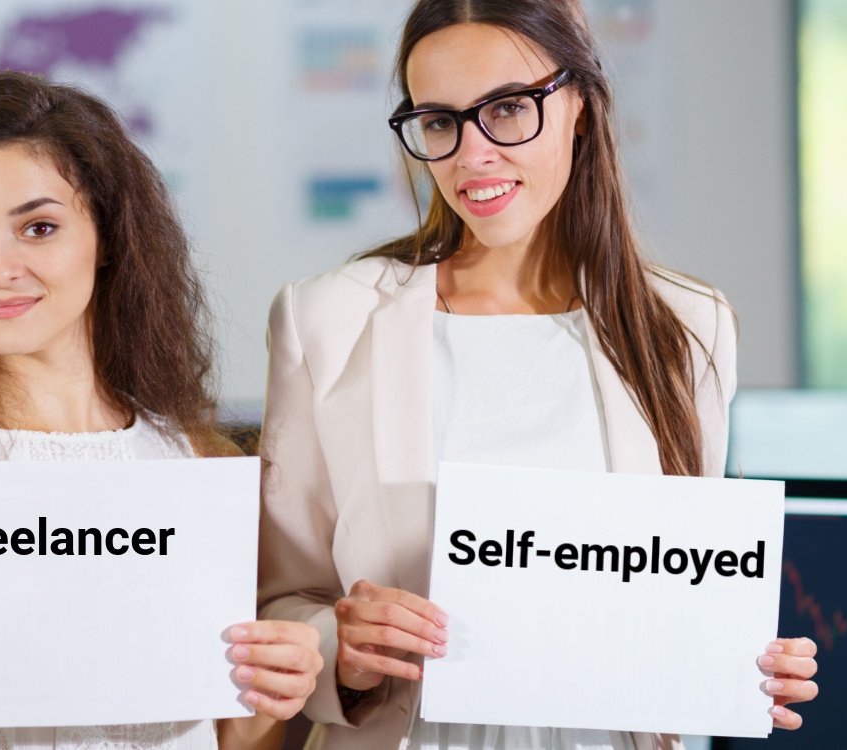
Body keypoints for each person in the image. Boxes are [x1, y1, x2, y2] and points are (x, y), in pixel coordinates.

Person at [256, 1, 818, 749]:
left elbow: (676, 591)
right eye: (439, 122)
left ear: (579, 105)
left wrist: (741, 660)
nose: (471, 155)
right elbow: (275, 607)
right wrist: (339, 648)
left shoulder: (687, 327)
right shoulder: (326, 320)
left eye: (510, 109)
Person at [0, 71, 320, 750]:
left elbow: (237, 737)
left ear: (109, 238)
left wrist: (268, 701)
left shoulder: (203, 465)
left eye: (38, 228)